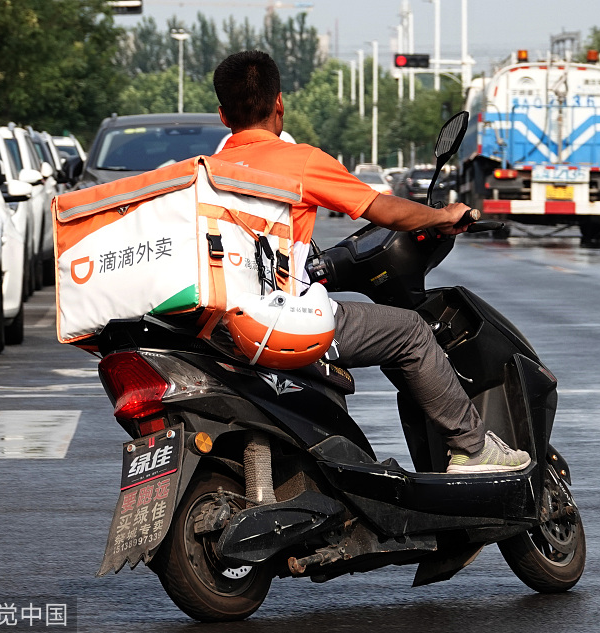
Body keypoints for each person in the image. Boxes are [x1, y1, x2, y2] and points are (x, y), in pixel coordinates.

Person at [211, 50, 529, 475]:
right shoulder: (300, 161)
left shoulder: (209, 170)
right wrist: (443, 216)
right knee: (411, 332)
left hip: (219, 321)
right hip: (279, 319)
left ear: (223, 115)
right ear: (279, 103)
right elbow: (384, 210)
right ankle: (473, 449)